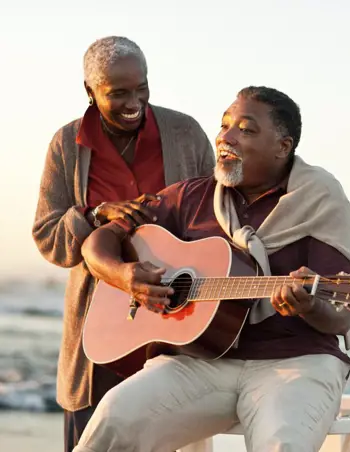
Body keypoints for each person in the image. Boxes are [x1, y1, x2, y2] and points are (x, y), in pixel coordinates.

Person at [76, 86, 350, 452]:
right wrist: (125, 277)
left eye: (245, 129)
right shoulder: (189, 197)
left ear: (283, 146)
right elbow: (97, 244)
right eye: (225, 125)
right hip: (199, 362)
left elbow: (340, 319)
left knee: (283, 445)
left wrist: (309, 305)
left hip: (296, 362)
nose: (225, 137)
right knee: (113, 420)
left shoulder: (319, 201)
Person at [31, 36, 216, 452]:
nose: (135, 102)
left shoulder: (185, 133)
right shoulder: (66, 145)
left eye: (142, 88)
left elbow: (219, 220)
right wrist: (96, 215)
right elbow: (48, 238)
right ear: (90, 92)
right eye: (118, 93)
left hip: (176, 330)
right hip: (98, 340)